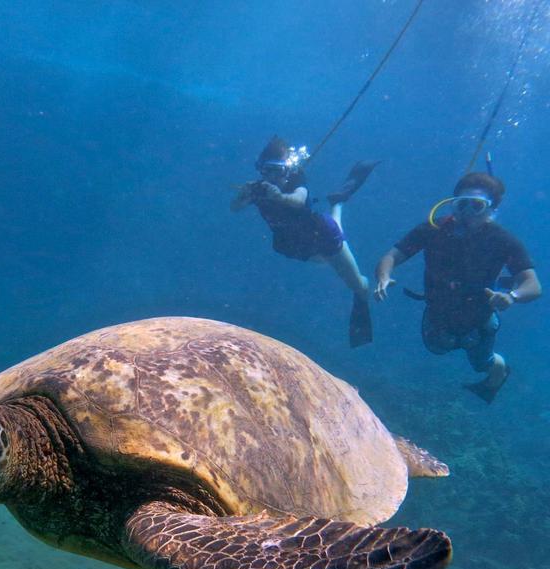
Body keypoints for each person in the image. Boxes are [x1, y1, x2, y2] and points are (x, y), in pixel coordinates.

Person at [374, 172, 542, 403]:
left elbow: (533, 285)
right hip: (438, 314)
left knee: (481, 363)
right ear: (452, 204)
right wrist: (384, 277)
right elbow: (391, 256)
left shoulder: (503, 241)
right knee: (437, 347)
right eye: (462, 204)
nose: (467, 213)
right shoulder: (433, 230)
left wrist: (512, 296)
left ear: (492, 209)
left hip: (479, 319)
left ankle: (499, 374)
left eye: (477, 206)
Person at [231, 135, 379, 347]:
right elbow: (234, 208)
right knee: (323, 262)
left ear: (287, 170)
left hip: (322, 236)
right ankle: (336, 203)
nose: (272, 177)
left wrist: (280, 196)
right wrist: (242, 197)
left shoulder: (296, 181)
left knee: (356, 285)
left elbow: (299, 201)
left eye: (277, 171)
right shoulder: (258, 189)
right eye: (267, 171)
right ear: (260, 170)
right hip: (291, 243)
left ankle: (338, 204)